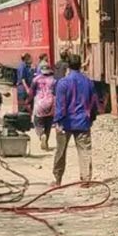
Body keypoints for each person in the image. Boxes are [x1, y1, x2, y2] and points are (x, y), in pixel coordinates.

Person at [52, 54, 97, 187]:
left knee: (61, 151)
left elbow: (60, 105)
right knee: (84, 151)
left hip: (65, 123)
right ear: (80, 65)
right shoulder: (88, 82)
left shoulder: (63, 83)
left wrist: (57, 121)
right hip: (83, 122)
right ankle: (86, 180)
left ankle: (58, 180)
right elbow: (93, 103)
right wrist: (92, 118)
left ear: (68, 66)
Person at [29, 64, 56, 151]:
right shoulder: (54, 80)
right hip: (51, 103)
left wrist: (28, 101)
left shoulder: (36, 79)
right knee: (48, 123)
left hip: (40, 103)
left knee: (37, 122)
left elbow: (31, 92)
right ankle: (46, 142)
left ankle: (41, 135)